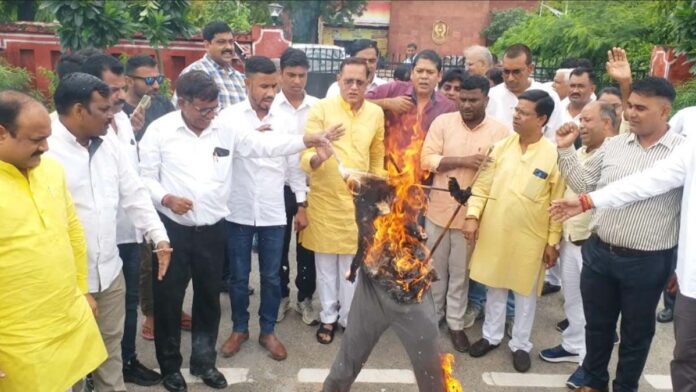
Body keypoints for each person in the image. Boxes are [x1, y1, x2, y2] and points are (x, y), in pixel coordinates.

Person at [139, 70, 341, 392]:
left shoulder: (225, 128)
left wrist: (309, 139)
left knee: (208, 299)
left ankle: (204, 362)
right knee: (169, 301)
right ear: (182, 103)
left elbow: (265, 145)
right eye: (202, 110)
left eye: (213, 109)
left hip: (213, 230)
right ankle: (170, 367)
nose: (209, 116)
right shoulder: (160, 131)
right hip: (173, 232)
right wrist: (166, 198)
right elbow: (144, 177)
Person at [555, 77, 683, 392]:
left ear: (665, 111)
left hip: (648, 261)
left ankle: (625, 386)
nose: (631, 113)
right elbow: (584, 183)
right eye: (629, 106)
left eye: (641, 107)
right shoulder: (614, 146)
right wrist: (566, 150)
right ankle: (594, 382)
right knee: (597, 327)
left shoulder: (683, 153)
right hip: (600, 253)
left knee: (637, 334)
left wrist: (683, 265)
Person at [48, 72, 172, 392]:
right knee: (69, 359)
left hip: (109, 272)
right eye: (103, 109)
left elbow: (133, 192)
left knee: (109, 351)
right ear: (78, 111)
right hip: (66, 281)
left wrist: (158, 237)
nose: (112, 115)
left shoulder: (109, 142)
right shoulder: (43, 146)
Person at [0, 90, 107, 392]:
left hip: (67, 321)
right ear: (1, 134)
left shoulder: (50, 170)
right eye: (36, 140)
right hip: (18, 342)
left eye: (47, 137)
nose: (46, 147)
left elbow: (72, 231)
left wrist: (82, 289)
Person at [81, 53, 168, 386]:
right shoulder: (56, 140)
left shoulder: (120, 123)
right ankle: (88, 369)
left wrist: (155, 233)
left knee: (125, 307)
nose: (118, 96)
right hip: (90, 243)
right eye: (111, 89)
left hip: (127, 233)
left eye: (120, 89)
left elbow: (133, 184)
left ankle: (125, 361)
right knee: (89, 314)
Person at [464, 89, 565, 373]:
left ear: (542, 119)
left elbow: (557, 202)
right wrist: (472, 216)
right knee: (494, 286)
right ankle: (491, 336)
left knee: (525, 293)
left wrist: (553, 241)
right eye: (516, 111)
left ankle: (520, 344)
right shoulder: (502, 147)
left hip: (531, 237)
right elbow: (482, 185)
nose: (516, 116)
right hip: (495, 230)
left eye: (523, 113)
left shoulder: (554, 155)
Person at [218, 56, 310, 362]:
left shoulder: (285, 120)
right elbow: (221, 158)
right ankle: (240, 328)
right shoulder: (230, 118)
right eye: (264, 85)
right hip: (238, 209)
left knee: (272, 275)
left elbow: (295, 166)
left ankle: (268, 331)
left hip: (273, 210)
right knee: (238, 277)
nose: (270, 92)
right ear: (247, 84)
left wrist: (301, 204)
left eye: (274, 85)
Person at [421, 75, 509, 353]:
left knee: (460, 274)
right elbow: (427, 160)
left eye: (473, 100)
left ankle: (456, 324)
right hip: (438, 210)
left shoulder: (500, 132)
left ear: (486, 99)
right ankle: (431, 321)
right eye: (463, 99)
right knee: (435, 271)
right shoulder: (442, 123)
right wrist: (464, 161)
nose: (467, 105)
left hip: (471, 218)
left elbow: (501, 173)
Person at [300, 57, 385, 344]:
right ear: (338, 79)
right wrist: (317, 157)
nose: (353, 86)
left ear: (368, 83)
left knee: (352, 266)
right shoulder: (321, 109)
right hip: (325, 200)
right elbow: (304, 153)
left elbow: (377, 155)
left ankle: (349, 318)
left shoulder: (375, 113)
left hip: (358, 203)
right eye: (348, 80)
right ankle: (328, 317)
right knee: (325, 266)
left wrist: (378, 193)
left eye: (360, 82)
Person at [537, 102, 617, 389]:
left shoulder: (612, 154)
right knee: (572, 299)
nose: (581, 124)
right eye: (580, 118)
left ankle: (589, 363)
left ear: (607, 124)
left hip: (593, 243)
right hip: (571, 237)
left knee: (593, 309)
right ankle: (572, 345)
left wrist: (564, 149)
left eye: (587, 120)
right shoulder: (583, 151)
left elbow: (584, 187)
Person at [122, 54, 180, 342]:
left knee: (173, 253)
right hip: (139, 192)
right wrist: (132, 129)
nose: (155, 85)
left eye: (158, 79)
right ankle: (151, 314)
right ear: (128, 80)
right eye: (148, 80)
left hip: (167, 191)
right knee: (148, 260)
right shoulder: (118, 112)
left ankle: (172, 307)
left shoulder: (161, 104)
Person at [272, 48, 320, 326]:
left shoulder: (317, 107)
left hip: (309, 186)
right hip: (277, 187)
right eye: (290, 75)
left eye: (302, 75)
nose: (296, 81)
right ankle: (281, 296)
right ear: (281, 75)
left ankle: (305, 298)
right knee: (277, 246)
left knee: (308, 248)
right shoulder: (270, 108)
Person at [367, 49, 457, 149]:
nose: (424, 76)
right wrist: (386, 103)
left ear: (439, 76)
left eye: (430, 72)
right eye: (419, 71)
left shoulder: (447, 107)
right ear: (412, 73)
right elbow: (358, 103)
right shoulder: (394, 89)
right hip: (390, 160)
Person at [486, 43, 563, 142]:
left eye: (516, 72)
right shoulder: (491, 95)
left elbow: (553, 136)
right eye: (506, 71)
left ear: (530, 68)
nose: (510, 78)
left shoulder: (548, 96)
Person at [176, 21, 246, 108]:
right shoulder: (192, 73)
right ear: (207, 45)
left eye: (231, 42)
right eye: (221, 42)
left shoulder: (240, 78)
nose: (228, 47)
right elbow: (180, 111)